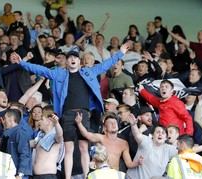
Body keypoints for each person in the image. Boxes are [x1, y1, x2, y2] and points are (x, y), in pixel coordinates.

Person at [12, 41, 130, 179]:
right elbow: (41, 70)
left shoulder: (88, 71)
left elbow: (105, 64)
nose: (73, 59)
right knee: (68, 149)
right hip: (67, 114)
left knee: (83, 147)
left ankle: (87, 176)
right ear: (67, 62)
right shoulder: (60, 74)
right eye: (70, 58)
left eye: (75, 57)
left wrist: (120, 53)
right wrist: (22, 63)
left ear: (79, 61)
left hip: (83, 113)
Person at [75, 113, 142, 171]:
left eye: (115, 122)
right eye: (110, 123)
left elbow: (129, 163)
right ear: (104, 128)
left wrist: (138, 163)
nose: (113, 124)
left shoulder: (123, 143)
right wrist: (79, 123)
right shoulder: (101, 138)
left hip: (114, 174)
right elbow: (86, 134)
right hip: (101, 174)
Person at [127, 114, 177, 178]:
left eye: (163, 133)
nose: (160, 134)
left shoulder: (168, 149)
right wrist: (133, 125)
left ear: (166, 137)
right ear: (152, 135)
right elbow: (137, 135)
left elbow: (185, 150)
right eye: (157, 132)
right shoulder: (147, 141)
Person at [30, 108, 63, 179]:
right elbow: (27, 144)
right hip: (36, 176)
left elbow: (60, 135)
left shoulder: (55, 136)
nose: (39, 122)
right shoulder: (40, 137)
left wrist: (56, 123)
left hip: (48, 176)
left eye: (42, 119)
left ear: (49, 122)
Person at [1, 109, 33, 179]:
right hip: (13, 173)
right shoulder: (11, 134)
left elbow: (24, 154)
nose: (3, 121)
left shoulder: (20, 133)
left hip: (19, 175)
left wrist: (20, 174)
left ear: (11, 119)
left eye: (5, 118)